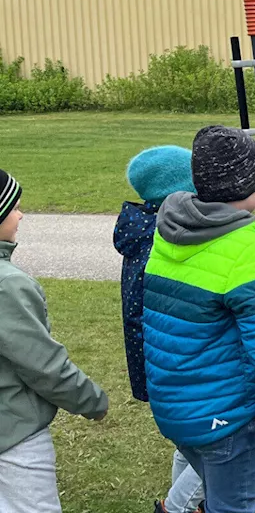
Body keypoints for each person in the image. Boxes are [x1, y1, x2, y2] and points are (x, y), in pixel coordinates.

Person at [143, 126, 255, 513]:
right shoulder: (249, 252)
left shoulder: (168, 233)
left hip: (177, 406)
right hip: (229, 415)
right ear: (247, 188)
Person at [0, 170, 109, 513]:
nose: (21, 215)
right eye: (14, 208)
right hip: (14, 434)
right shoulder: (8, 286)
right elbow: (43, 366)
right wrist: (93, 401)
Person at [113, 146, 206, 513]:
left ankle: (194, 504)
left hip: (167, 363)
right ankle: (176, 507)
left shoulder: (147, 231)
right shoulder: (161, 241)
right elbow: (142, 316)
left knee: (192, 443)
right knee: (218, 447)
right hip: (172, 364)